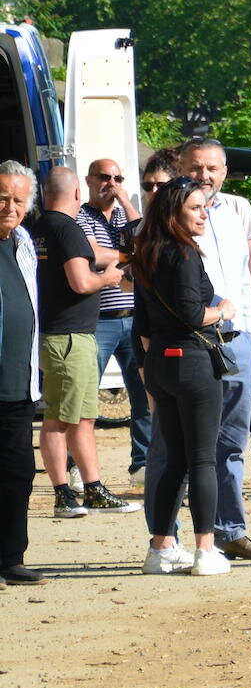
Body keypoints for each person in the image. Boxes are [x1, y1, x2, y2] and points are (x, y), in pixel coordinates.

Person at [162, 139, 251, 558]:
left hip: (238, 338)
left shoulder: (238, 208)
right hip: (192, 343)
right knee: (176, 445)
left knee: (230, 442)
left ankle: (229, 531)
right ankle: (167, 536)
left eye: (212, 168)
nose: (204, 176)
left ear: (225, 171)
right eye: (196, 168)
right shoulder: (165, 214)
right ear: (180, 166)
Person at [133, 177, 237, 576]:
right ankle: (205, 550)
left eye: (204, 207)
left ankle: (161, 547)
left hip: (159, 360)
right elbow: (195, 314)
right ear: (173, 211)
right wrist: (224, 310)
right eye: (195, 208)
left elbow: (141, 324)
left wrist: (154, 367)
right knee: (202, 459)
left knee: (173, 458)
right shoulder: (184, 254)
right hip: (193, 361)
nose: (203, 214)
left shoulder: (144, 253)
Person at [32, 167, 139, 518]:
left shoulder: (40, 226)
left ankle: (93, 488)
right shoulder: (68, 228)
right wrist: (108, 278)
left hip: (61, 333)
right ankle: (64, 494)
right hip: (68, 336)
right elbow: (81, 282)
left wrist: (112, 261)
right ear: (78, 193)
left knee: (81, 418)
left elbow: (95, 256)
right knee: (59, 419)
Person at [78, 157, 152, 482]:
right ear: (90, 179)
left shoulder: (125, 214)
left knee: (143, 394)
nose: (110, 182)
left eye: (117, 177)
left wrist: (126, 201)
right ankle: (76, 467)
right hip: (100, 319)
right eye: (104, 177)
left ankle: (143, 463)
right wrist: (129, 254)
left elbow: (147, 242)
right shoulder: (79, 216)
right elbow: (91, 254)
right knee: (84, 395)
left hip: (135, 317)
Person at [0, 162, 47, 585]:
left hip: (19, 385)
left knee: (18, 473)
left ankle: (10, 557)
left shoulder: (23, 241)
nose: (10, 207)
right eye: (2, 197)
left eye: (18, 199)